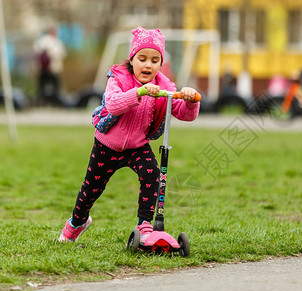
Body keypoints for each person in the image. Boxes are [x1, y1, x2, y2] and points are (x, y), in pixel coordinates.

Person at [58, 27, 200, 244]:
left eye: (154, 60)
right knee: (90, 190)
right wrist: (139, 92)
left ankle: (145, 225)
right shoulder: (118, 78)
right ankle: (76, 223)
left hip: (137, 146)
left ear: (160, 65)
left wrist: (191, 100)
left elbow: (183, 113)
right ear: (132, 60)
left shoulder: (164, 86)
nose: (148, 65)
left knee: (152, 173)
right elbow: (113, 104)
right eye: (142, 59)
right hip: (107, 145)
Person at [33, 27, 66, 106]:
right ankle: (50, 102)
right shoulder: (50, 42)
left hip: (48, 69)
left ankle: (46, 101)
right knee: (49, 86)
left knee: (47, 86)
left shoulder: (44, 41)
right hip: (48, 68)